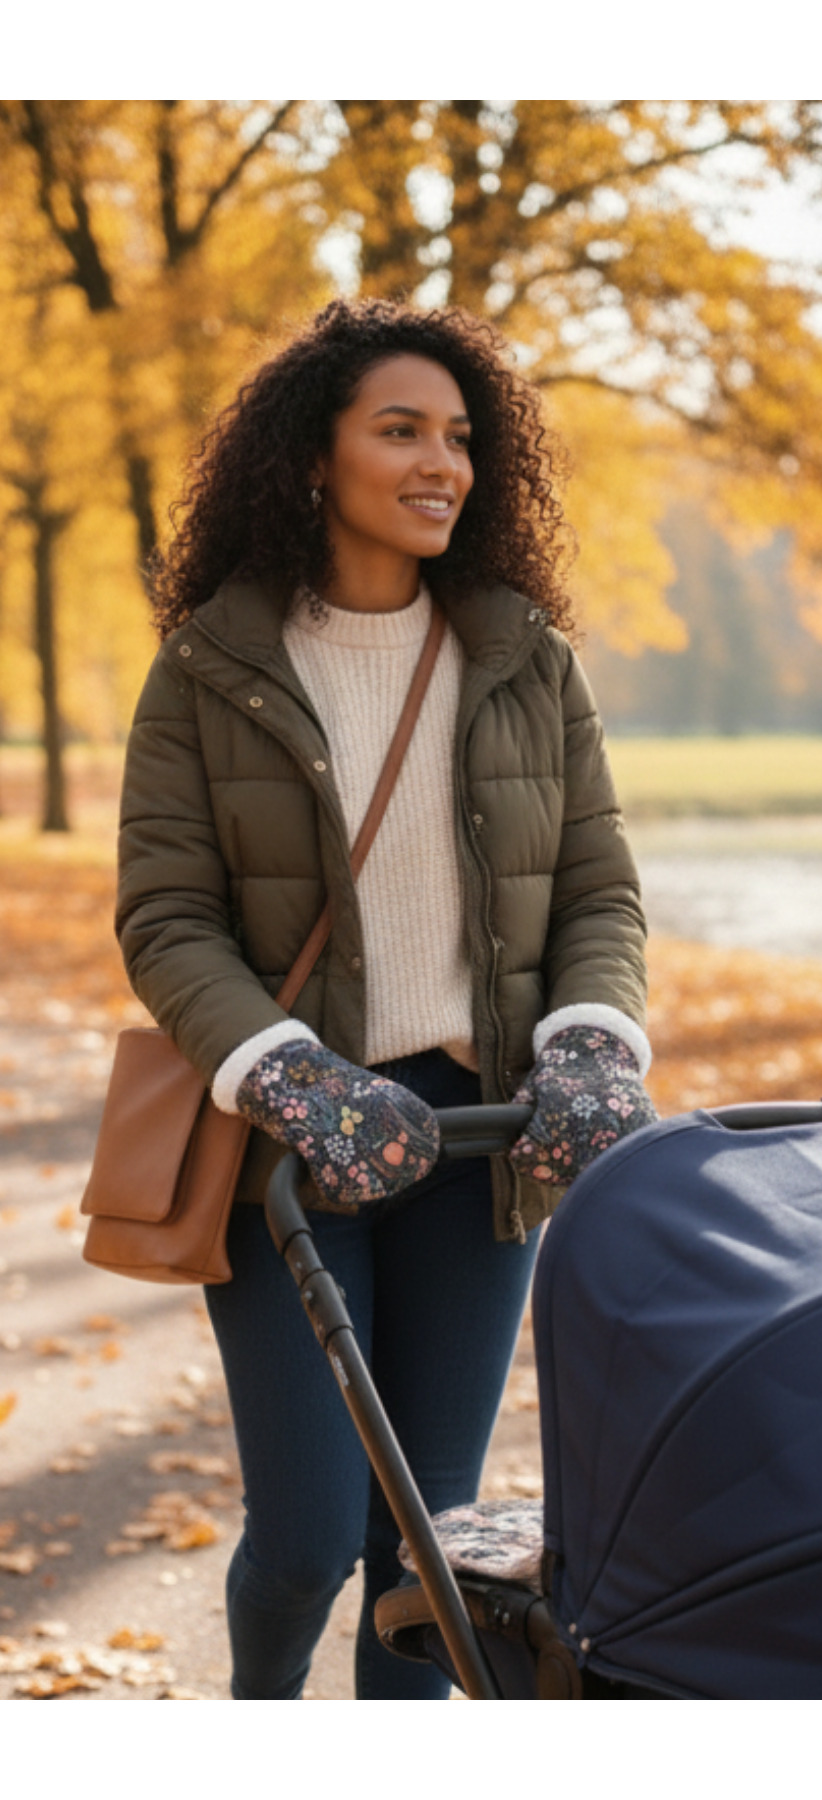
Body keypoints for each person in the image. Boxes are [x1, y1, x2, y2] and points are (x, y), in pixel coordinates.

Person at [115, 297, 656, 1700]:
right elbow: (167, 916)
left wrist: (590, 1046)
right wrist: (291, 1076)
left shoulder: (524, 656)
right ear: (315, 458)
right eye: (400, 430)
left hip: (483, 1146)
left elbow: (598, 891)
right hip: (294, 1145)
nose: (442, 463)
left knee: (426, 1560)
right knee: (304, 1542)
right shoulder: (210, 669)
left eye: (462, 437)